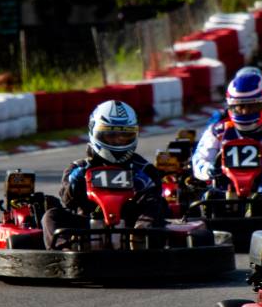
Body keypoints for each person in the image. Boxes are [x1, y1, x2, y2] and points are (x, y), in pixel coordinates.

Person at [40, 100, 169, 247]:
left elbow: (154, 201)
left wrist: (146, 188)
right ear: (95, 132)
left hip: (130, 224)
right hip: (87, 224)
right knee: (51, 216)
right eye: (111, 135)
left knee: (159, 204)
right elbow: (67, 201)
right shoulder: (78, 168)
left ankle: (141, 241)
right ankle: (66, 257)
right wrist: (75, 183)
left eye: (125, 136)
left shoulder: (145, 170)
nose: (119, 141)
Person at [191, 69, 262, 198]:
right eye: (240, 107)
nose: (245, 112)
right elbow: (200, 160)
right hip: (226, 186)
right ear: (230, 106)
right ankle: (217, 205)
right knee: (211, 194)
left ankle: (261, 203)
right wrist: (208, 169)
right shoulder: (218, 131)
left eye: (252, 106)